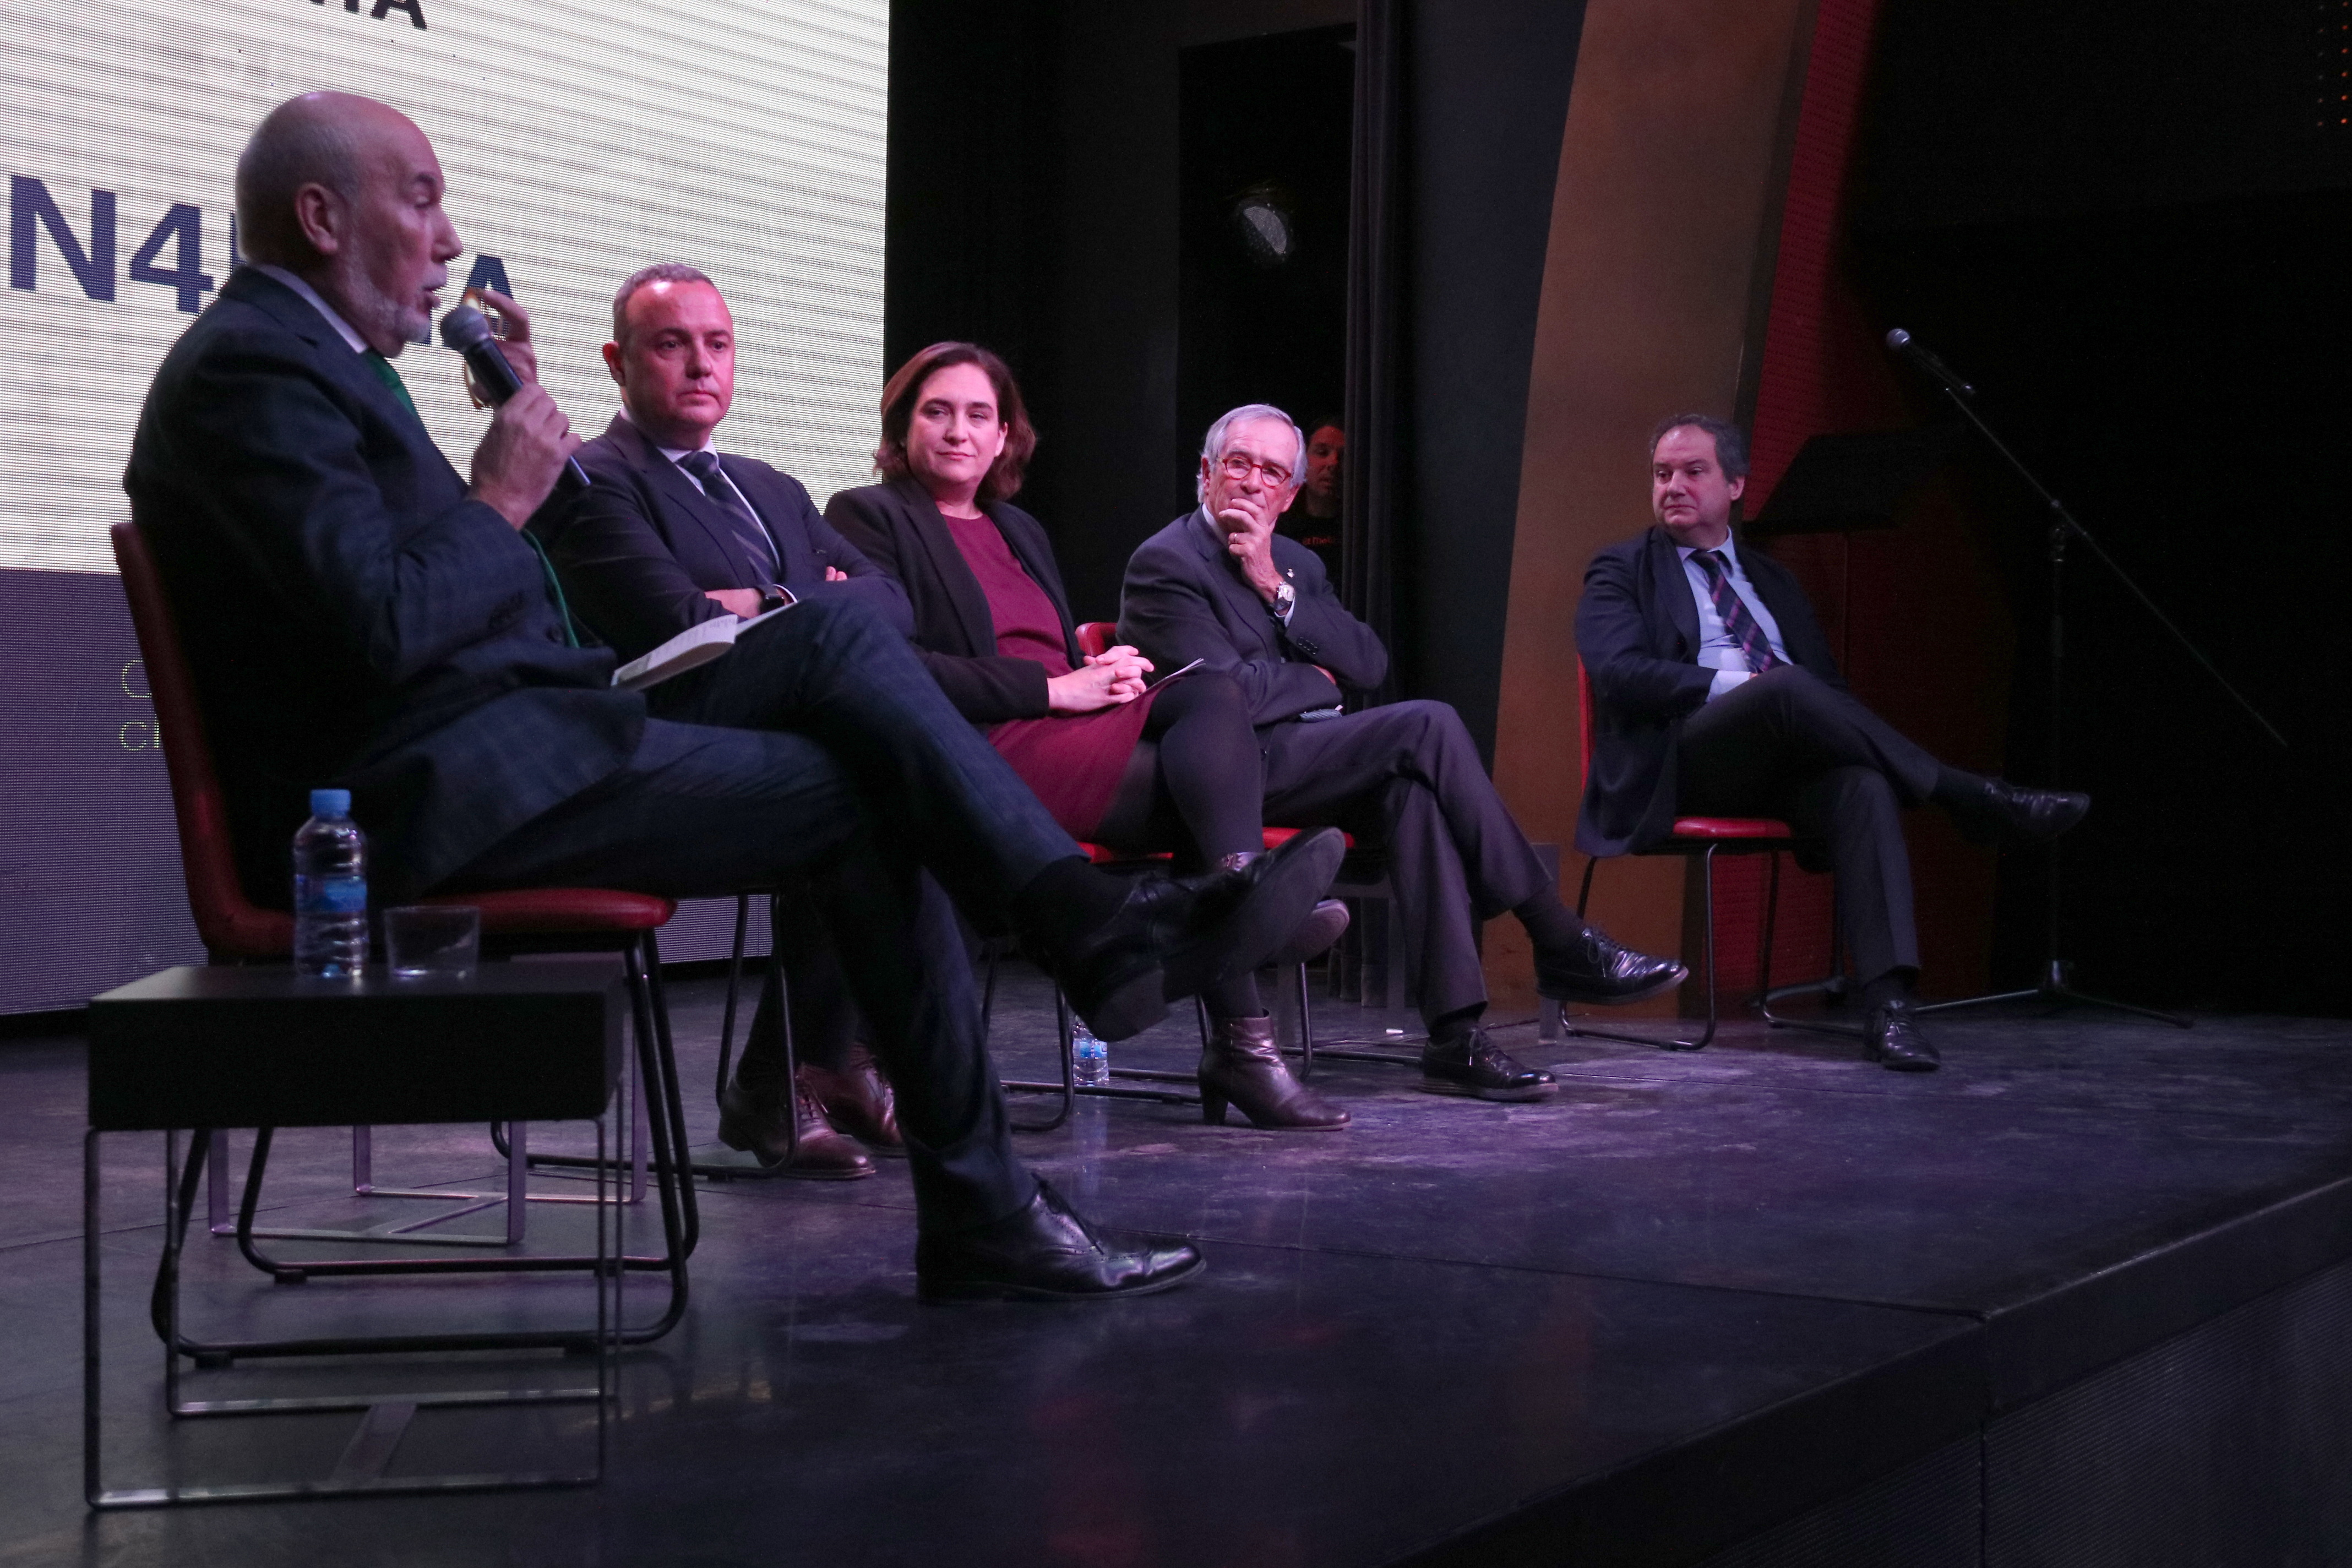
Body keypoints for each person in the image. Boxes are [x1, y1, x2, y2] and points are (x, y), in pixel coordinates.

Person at [124, 91, 1346, 1302]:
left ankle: (1048, 1035)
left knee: (838, 668)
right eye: (425, 200)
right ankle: (1038, 1063)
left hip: (521, 739)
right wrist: (500, 496)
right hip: (426, 794)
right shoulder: (254, 373)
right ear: (323, 215)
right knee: (869, 757)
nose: (450, 242)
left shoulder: (314, 370)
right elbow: (388, 623)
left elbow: (437, 592)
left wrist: (510, 459)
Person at [825, 344, 1352, 1132]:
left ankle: (1238, 896)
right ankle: (1243, 977)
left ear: (1006, 437)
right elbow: (895, 666)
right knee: (1204, 795)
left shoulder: (1020, 528)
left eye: (980, 416)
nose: (959, 431)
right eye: (937, 412)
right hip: (975, 746)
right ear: (904, 425)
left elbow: (1049, 645)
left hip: (1066, 722)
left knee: (1206, 691)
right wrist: (1054, 689)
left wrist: (1102, 668)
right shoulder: (869, 516)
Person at [1120, 405, 1689, 1102]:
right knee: (1429, 725)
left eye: (1272, 472)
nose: (1252, 483)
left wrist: (1273, 583)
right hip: (1224, 782)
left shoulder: (1293, 563)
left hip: (1304, 758)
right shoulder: (1166, 563)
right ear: (1207, 473)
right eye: (1238, 464)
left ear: (1290, 495)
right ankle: (1559, 937)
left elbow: (1366, 664)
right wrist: (1311, 681)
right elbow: (1226, 699)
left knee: (1412, 796)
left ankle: (1454, 1036)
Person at [531, 263, 917, 1180]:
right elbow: (677, 624)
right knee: (886, 775)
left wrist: (762, 596)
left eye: (718, 344)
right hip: (667, 746)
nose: (701, 364)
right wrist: (805, 598)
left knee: (884, 773)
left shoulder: (770, 485)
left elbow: (891, 600)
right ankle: (805, 1071)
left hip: (792, 732)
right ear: (617, 362)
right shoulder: (591, 475)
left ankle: (795, 1073)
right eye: (671, 345)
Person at [1575, 414, 2090, 1071]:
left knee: (1863, 784)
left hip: (1785, 758)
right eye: (1662, 473)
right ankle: (1967, 794)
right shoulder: (1621, 569)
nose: (1673, 485)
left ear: (1735, 484)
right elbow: (1619, 676)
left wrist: (1784, 696)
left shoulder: (1776, 581)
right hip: (1683, 761)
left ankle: (1889, 1007)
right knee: (1783, 686)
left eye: (1692, 471)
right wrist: (1741, 683)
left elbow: (1830, 695)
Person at [1276, 415, 1343, 580]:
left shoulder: (1362, 528)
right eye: (1322, 452)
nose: (1333, 463)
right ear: (1303, 460)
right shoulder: (1278, 523)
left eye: (1343, 456)